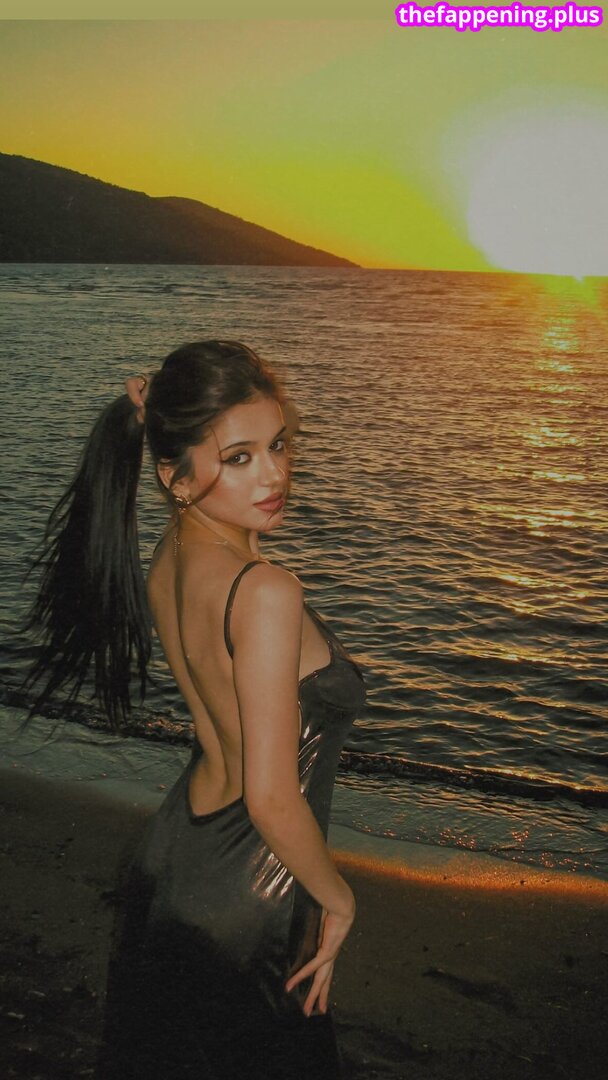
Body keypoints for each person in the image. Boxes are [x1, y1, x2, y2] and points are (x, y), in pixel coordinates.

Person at [24, 340, 366, 1079]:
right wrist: (338, 898)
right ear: (175, 478)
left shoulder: (171, 553)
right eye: (239, 457)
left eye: (278, 445)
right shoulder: (265, 591)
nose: (274, 474)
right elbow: (271, 795)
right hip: (253, 885)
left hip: (175, 856)